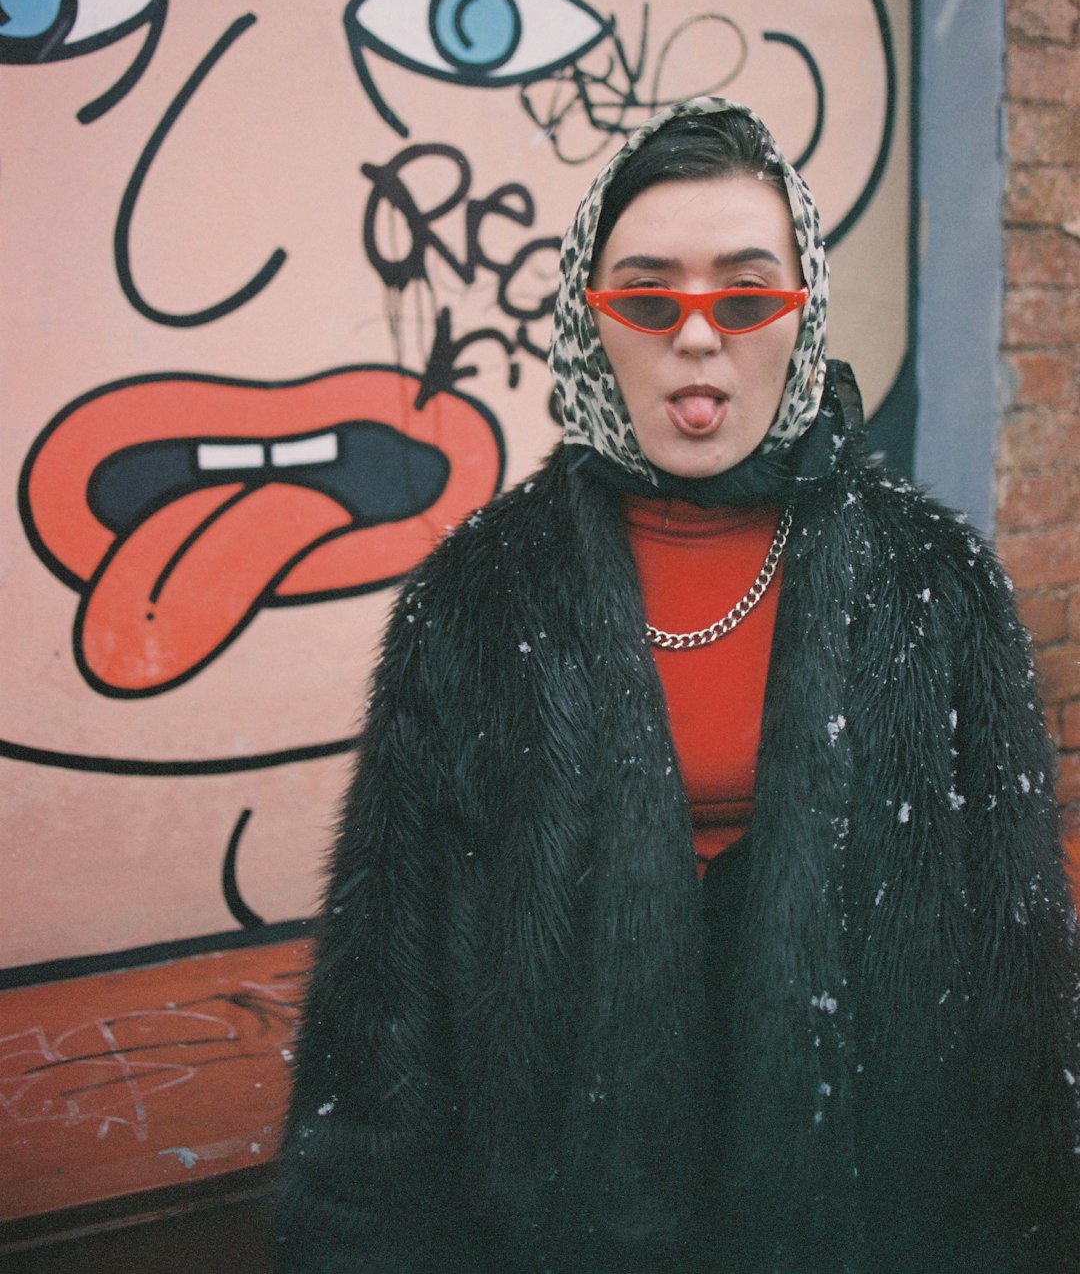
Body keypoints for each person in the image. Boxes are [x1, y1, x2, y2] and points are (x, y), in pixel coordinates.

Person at [274, 98, 1079, 1274]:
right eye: (648, 298)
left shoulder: (936, 588)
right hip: (554, 1220)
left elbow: (1021, 980)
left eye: (747, 298)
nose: (698, 339)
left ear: (800, 319)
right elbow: (383, 1002)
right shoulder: (477, 598)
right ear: (588, 322)